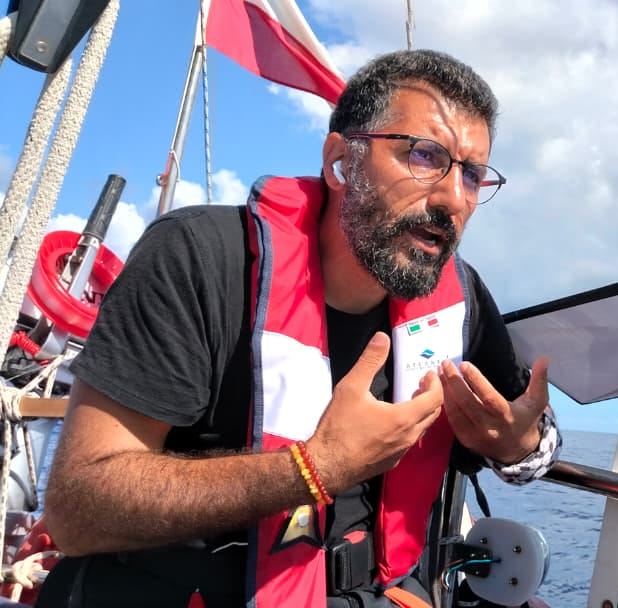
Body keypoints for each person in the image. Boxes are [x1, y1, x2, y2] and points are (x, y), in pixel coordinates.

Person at [33, 49, 562, 608]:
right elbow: (77, 510)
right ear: (340, 161)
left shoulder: (461, 299)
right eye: (425, 155)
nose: (454, 198)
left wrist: (517, 446)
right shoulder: (198, 259)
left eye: (472, 175)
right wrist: (313, 469)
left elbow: (538, 446)